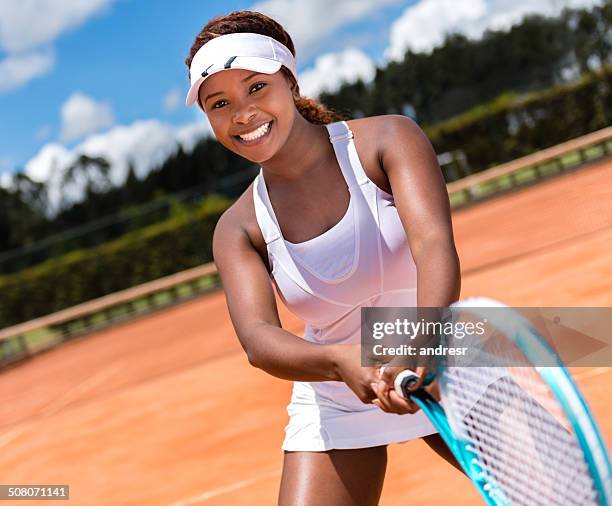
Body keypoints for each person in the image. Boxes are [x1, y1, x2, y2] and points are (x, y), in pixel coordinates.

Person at [185, 10, 462, 505]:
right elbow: (259, 340)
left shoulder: (387, 140)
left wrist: (421, 345)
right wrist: (339, 363)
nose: (242, 114)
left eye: (256, 87)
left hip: (441, 348)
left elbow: (433, 244)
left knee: (560, 494)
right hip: (336, 386)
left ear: (289, 81)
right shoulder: (237, 228)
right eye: (219, 103)